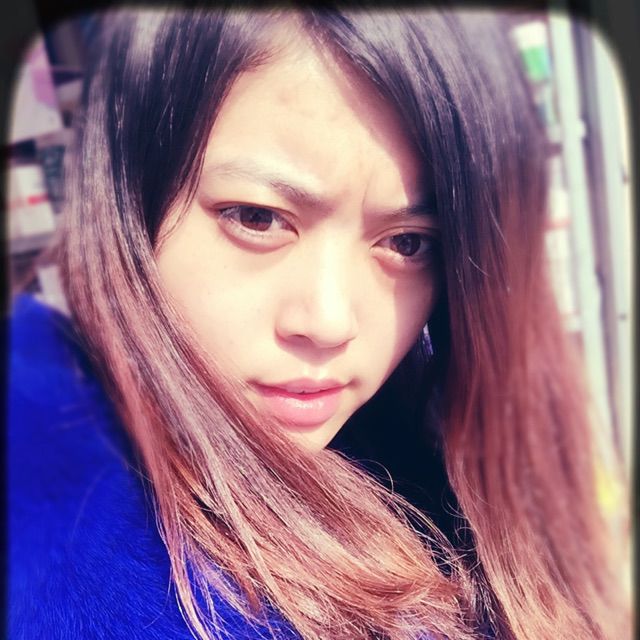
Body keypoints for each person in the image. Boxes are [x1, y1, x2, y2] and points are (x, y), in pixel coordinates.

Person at [8, 7, 630, 640]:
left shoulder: (439, 438)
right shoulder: (51, 512)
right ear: (129, 204)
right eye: (257, 218)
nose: (330, 322)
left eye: (408, 243)